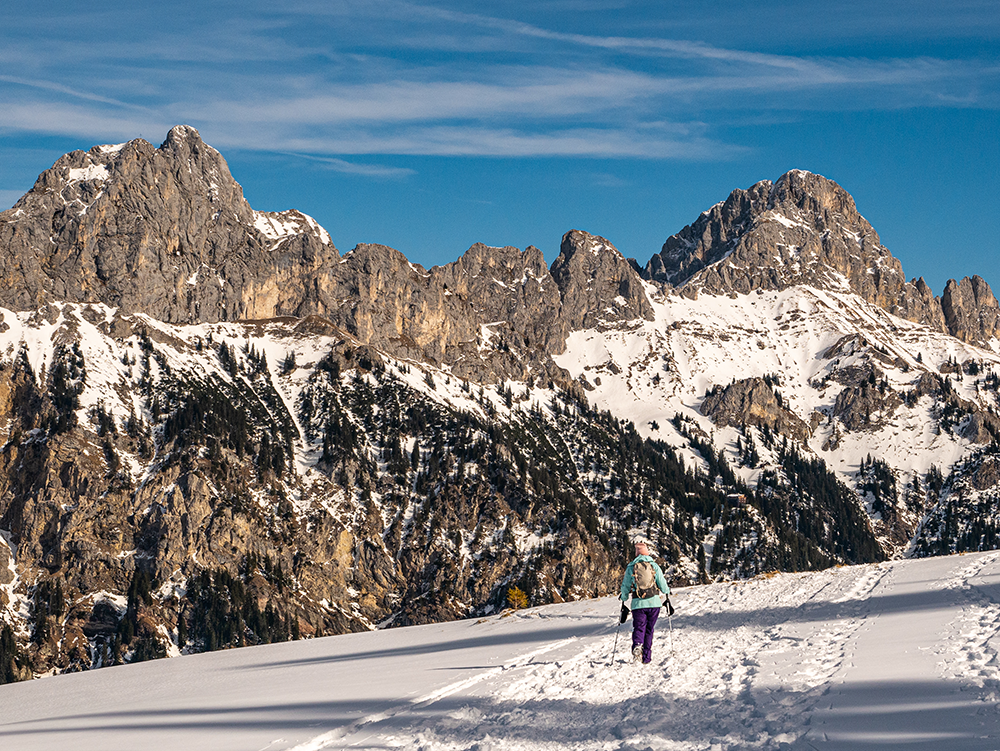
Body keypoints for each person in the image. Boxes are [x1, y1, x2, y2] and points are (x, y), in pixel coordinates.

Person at [619, 537, 670, 664]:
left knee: (639, 627)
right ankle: (646, 657)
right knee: (649, 630)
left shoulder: (631, 567)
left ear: (636, 553)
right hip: (654, 603)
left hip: (638, 604)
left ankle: (637, 645)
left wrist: (624, 598)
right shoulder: (654, 565)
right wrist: (667, 592)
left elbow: (625, 586)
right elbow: (662, 584)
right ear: (647, 552)